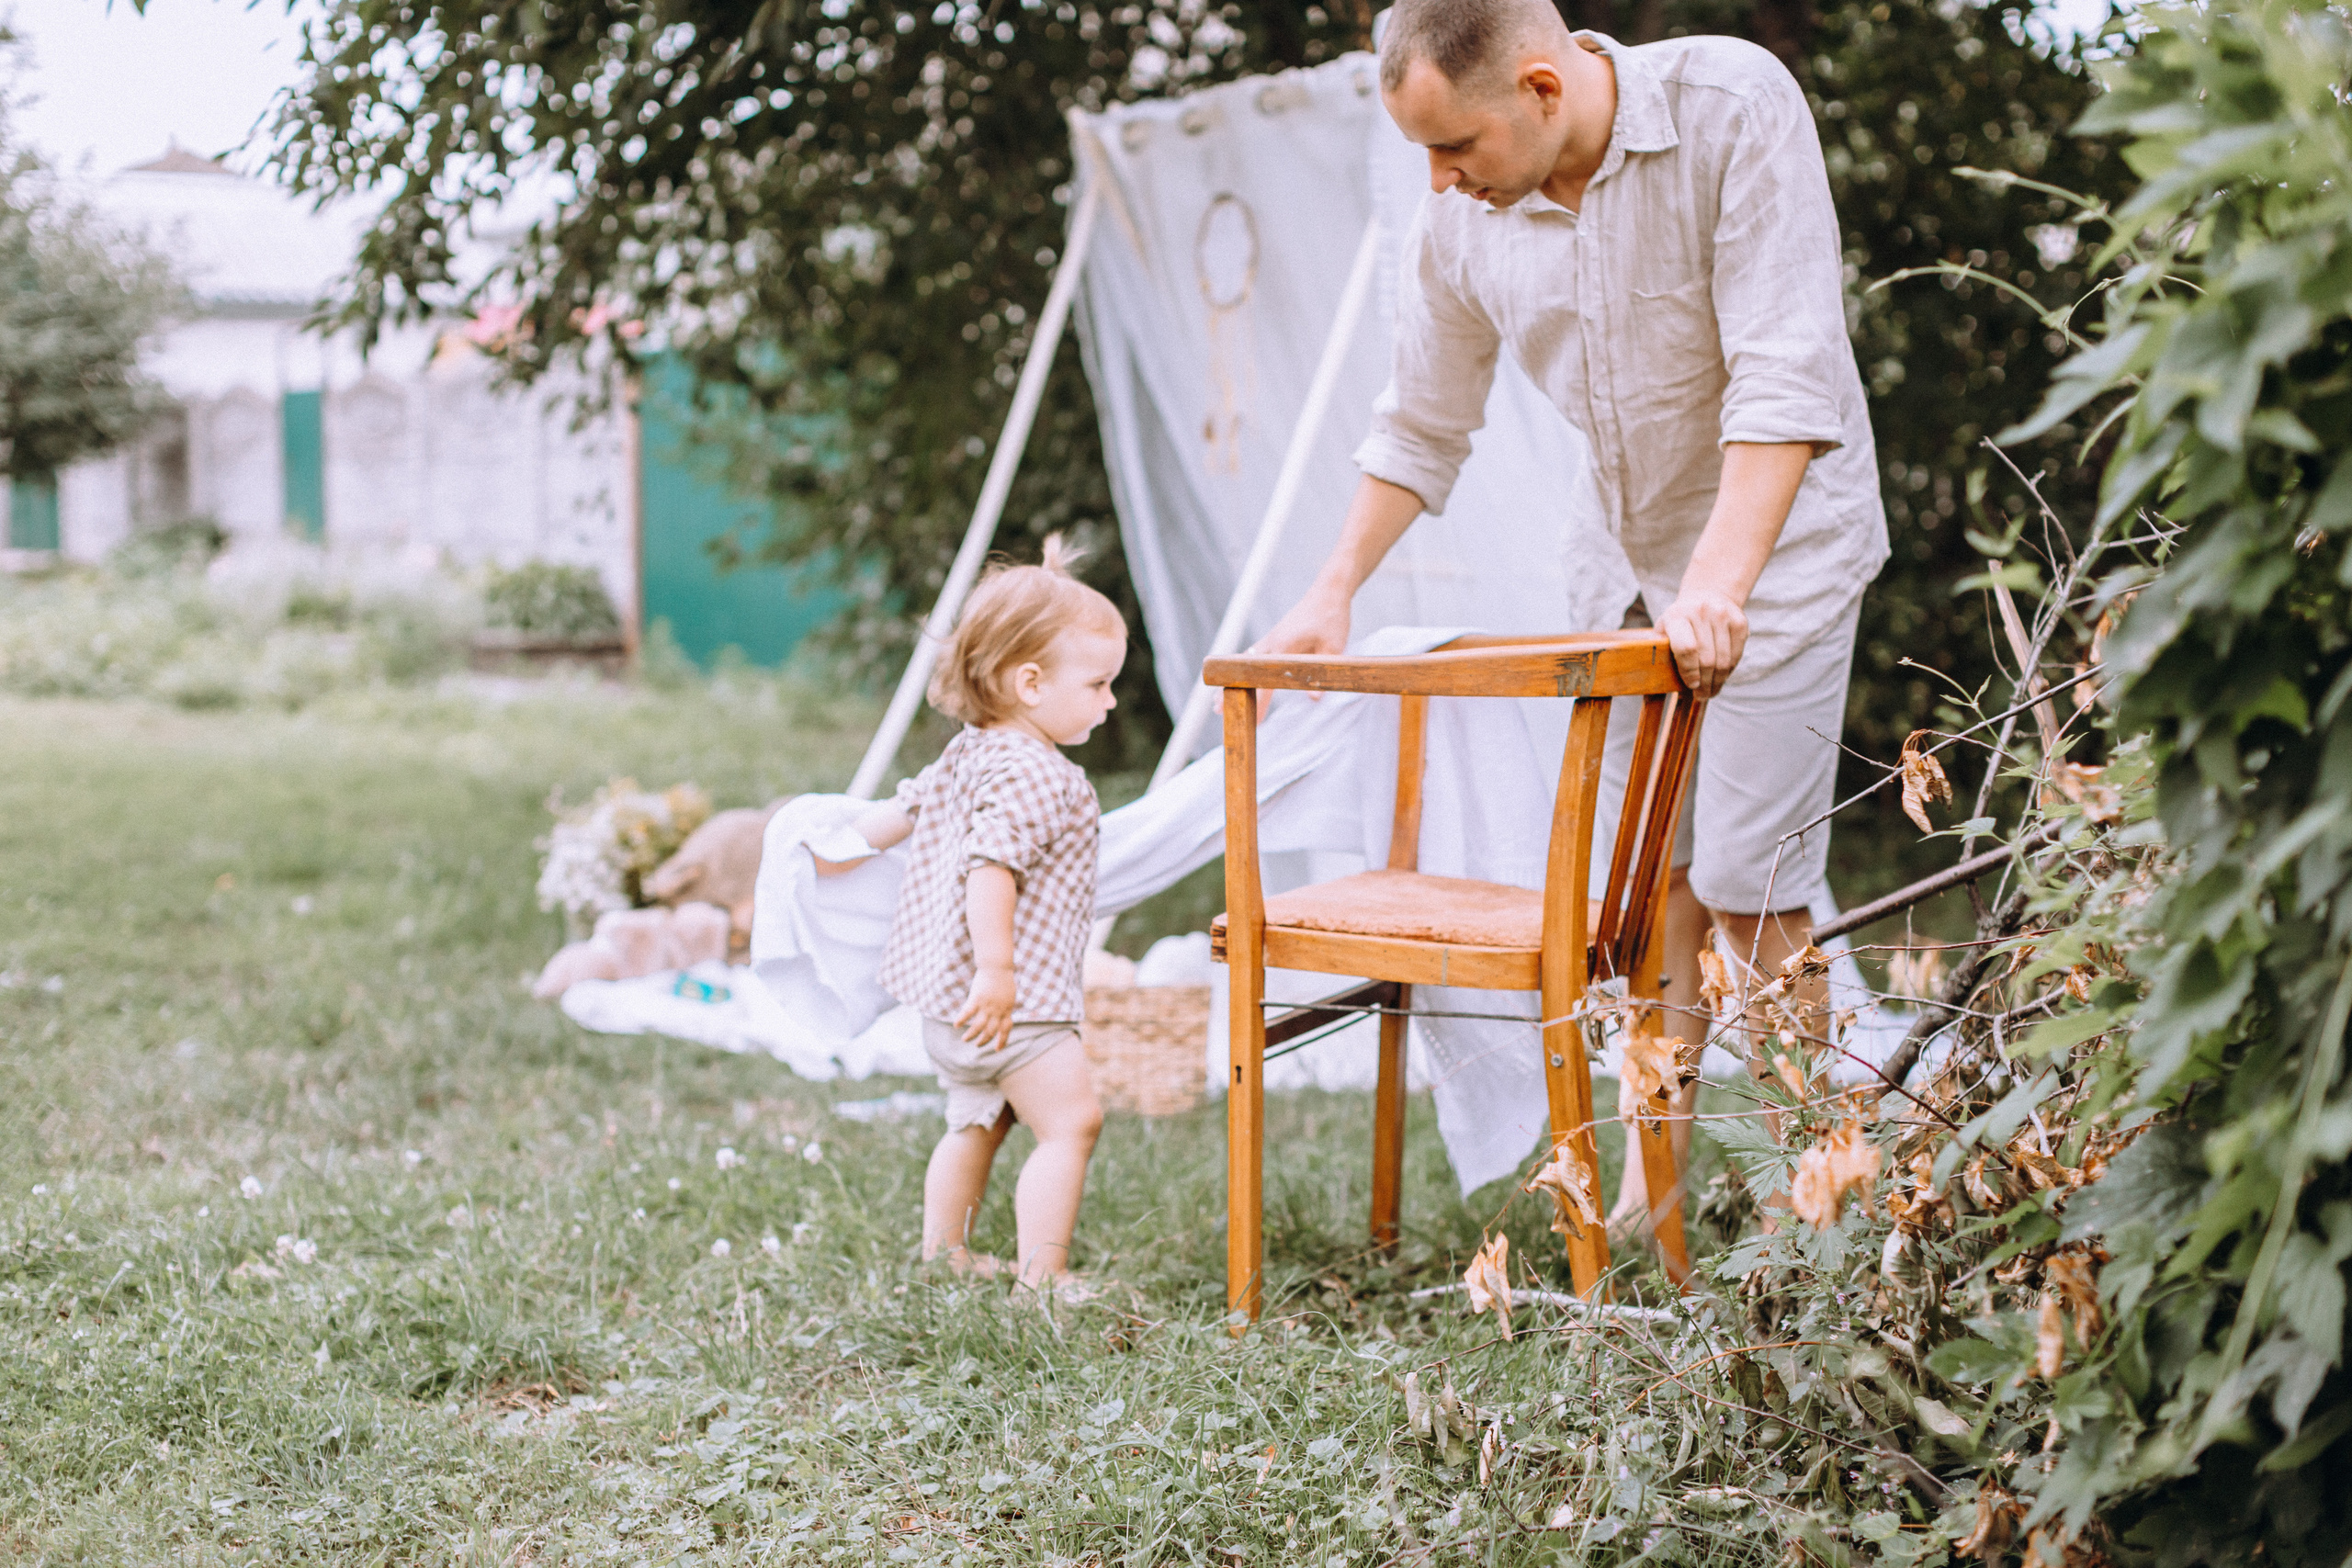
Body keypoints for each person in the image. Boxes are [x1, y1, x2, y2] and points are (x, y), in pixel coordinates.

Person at [1257, 0, 1888, 1231]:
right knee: (1646, 890)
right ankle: (1663, 1202)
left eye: (1458, 149)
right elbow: (1422, 422)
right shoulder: (1460, 222)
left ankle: (1828, 1203)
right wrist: (1332, 586)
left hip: (1782, 552)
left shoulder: (1731, 107)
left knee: (1754, 888)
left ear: (1544, 88)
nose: (1439, 182)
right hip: (1625, 569)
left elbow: (1787, 365)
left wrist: (1720, 580)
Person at [816, 539, 1124, 1285]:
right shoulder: (1033, 771)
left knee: (977, 1122)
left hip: (947, 1008)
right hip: (1011, 1004)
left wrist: (837, 849)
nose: (1110, 701)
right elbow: (992, 866)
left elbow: (903, 808)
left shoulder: (970, 751)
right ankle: (1041, 1280)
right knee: (1071, 1123)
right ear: (1029, 682)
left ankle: (944, 1255)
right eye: (1099, 683)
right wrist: (998, 970)